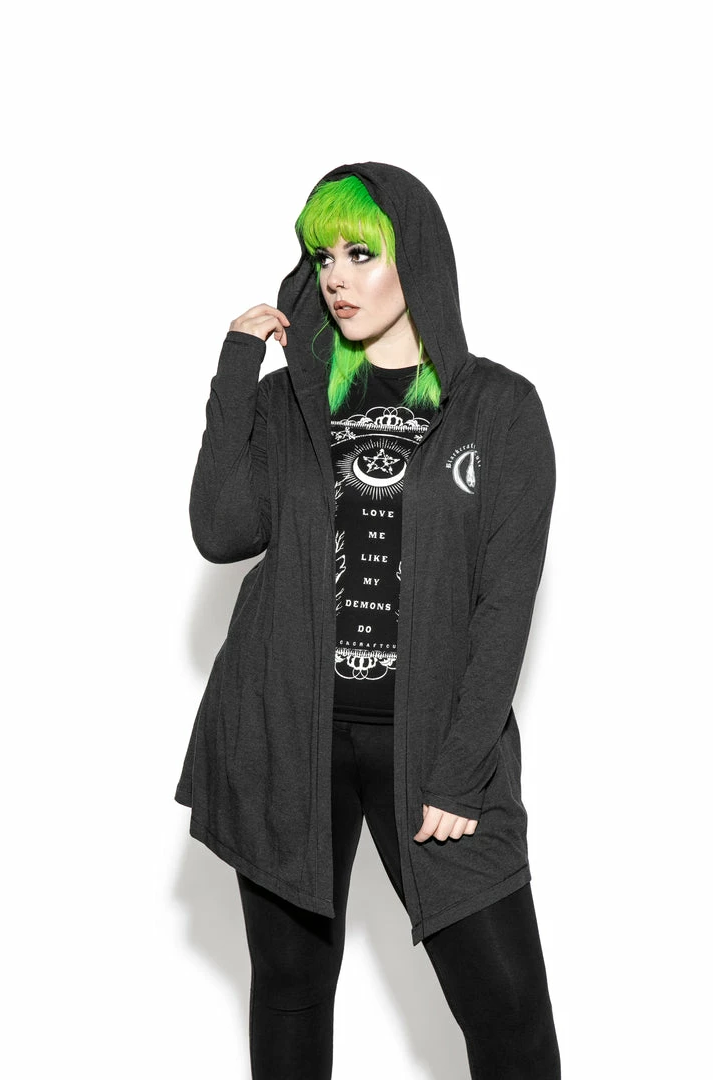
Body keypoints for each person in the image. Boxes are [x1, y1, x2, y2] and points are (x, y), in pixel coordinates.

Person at [175, 161, 561, 1078]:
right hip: (285, 733)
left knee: (509, 1018)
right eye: (323, 257)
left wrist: (461, 773)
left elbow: (504, 606)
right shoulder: (290, 403)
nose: (337, 277)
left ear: (413, 258)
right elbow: (222, 530)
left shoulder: (500, 410)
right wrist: (238, 368)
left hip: (432, 748)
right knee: (291, 989)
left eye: (361, 253)